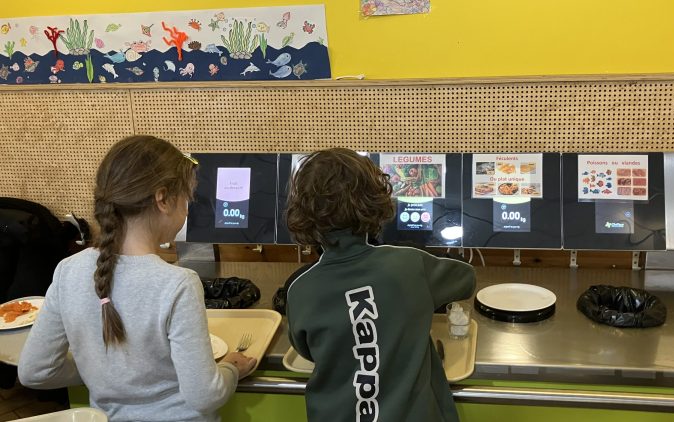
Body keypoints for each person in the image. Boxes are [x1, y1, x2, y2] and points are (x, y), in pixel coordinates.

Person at [18, 135, 256, 422]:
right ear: (163, 199)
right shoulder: (178, 283)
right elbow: (204, 395)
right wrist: (231, 368)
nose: (187, 210)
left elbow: (34, 371)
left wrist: (99, 371)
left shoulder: (67, 271)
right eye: (186, 200)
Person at [285, 148, 476, 422]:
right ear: (376, 200)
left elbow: (306, 349)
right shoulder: (410, 265)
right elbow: (466, 279)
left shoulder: (300, 290)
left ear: (301, 210)